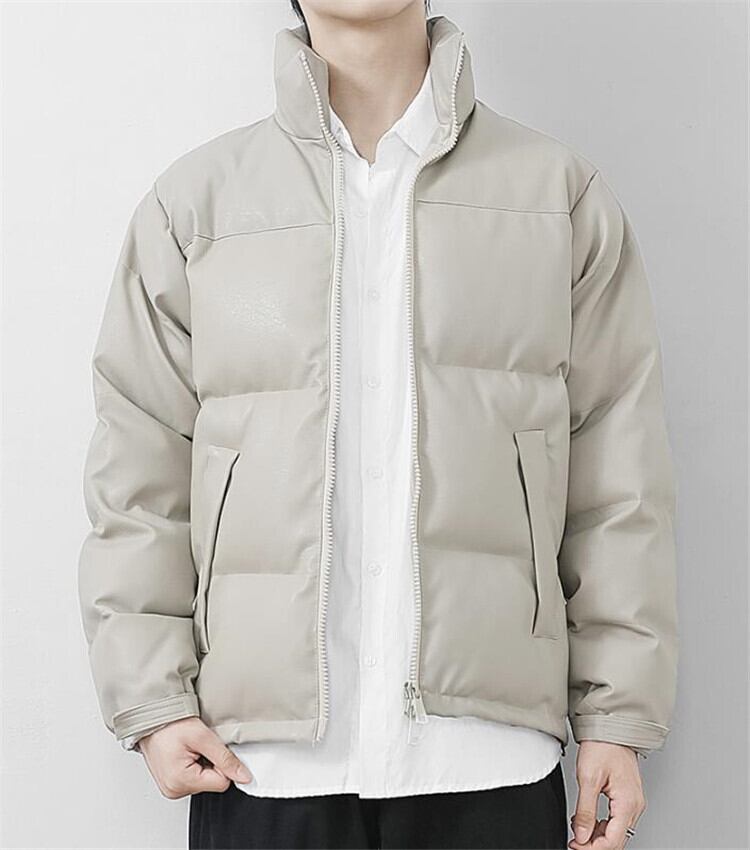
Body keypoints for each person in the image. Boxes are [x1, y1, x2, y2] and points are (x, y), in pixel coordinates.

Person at [78, 1, 678, 848]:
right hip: (261, 767)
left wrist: (616, 715)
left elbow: (619, 481)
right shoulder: (196, 207)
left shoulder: (557, 197)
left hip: (489, 758)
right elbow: (138, 477)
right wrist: (153, 699)